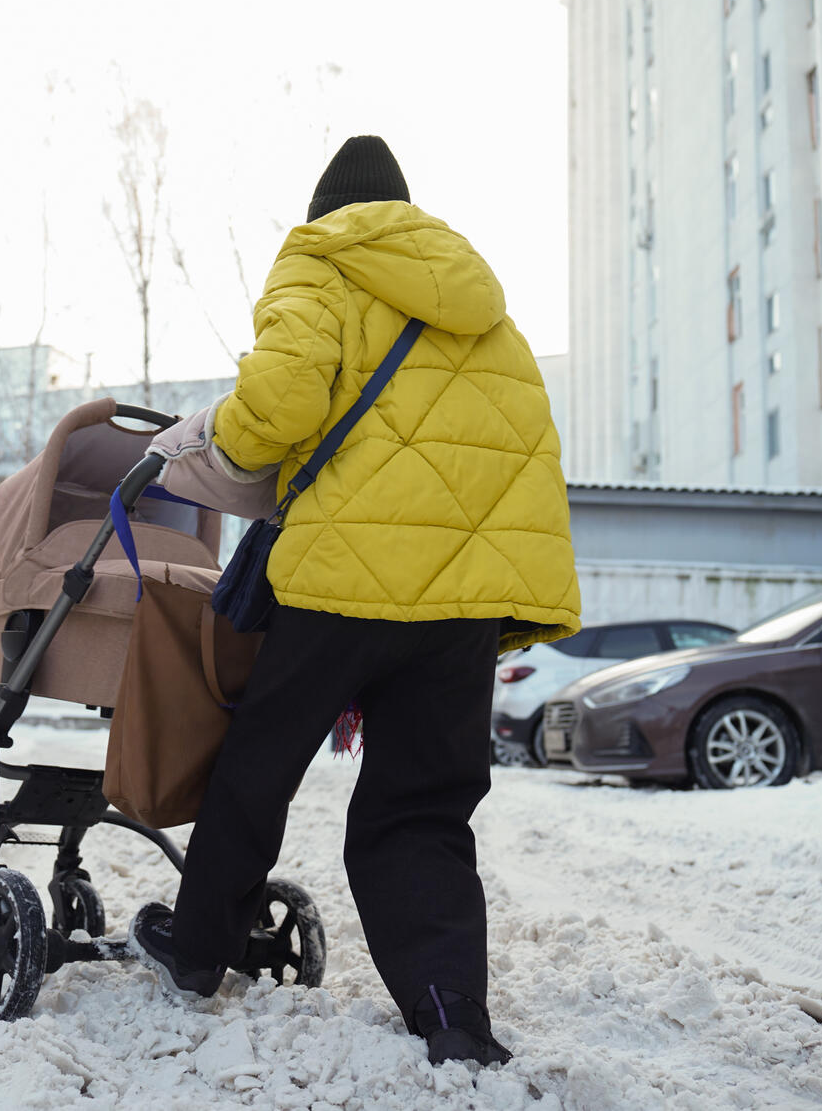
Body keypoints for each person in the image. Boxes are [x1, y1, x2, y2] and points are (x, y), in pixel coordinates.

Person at [129, 135, 580, 1066]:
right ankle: (451, 1010)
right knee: (422, 810)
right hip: (460, 606)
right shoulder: (485, 310)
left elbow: (282, 401)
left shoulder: (320, 260)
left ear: (331, 209)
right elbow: (529, 453)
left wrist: (223, 439)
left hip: (341, 584)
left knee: (255, 771)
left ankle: (202, 950)